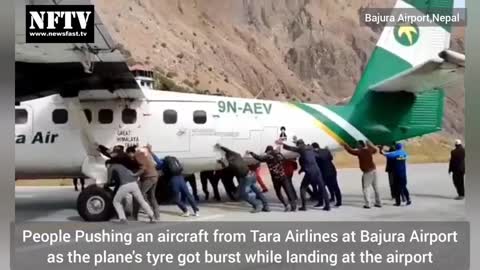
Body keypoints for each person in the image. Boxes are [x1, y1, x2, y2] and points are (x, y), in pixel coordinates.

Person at [215, 143, 270, 213]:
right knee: (257, 191)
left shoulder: (232, 164)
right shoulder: (237, 155)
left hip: (246, 178)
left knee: (243, 194)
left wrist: (221, 161)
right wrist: (220, 147)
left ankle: (257, 205)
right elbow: (228, 150)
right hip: (252, 175)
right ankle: (266, 205)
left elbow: (225, 166)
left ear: (228, 159)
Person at [278, 139, 330, 211]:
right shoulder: (311, 148)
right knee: (323, 188)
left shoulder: (301, 148)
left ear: (299, 144)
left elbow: (291, 148)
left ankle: (304, 206)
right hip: (317, 171)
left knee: (303, 188)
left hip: (309, 172)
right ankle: (327, 206)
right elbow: (316, 155)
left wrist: (282, 144)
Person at [247, 146, 297, 211]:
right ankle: (293, 206)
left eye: (267, 152)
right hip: (283, 176)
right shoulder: (279, 154)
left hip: (275, 179)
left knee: (278, 193)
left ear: (268, 151)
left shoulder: (268, 156)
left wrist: (251, 153)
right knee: (288, 192)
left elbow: (260, 158)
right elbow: (284, 159)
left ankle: (286, 205)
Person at [105, 160, 155, 224]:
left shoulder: (111, 167)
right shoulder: (122, 166)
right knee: (141, 201)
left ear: (108, 164)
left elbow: (109, 181)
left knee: (116, 201)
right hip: (134, 184)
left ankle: (122, 218)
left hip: (125, 185)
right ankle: (152, 216)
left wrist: (106, 185)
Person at [343, 140, 382, 209]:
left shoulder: (360, 151)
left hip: (367, 172)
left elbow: (351, 151)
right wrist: (369, 144)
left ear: (361, 145)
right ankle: (378, 202)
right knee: (376, 188)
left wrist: (345, 145)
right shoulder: (369, 150)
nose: (356, 145)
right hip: (374, 170)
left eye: (357, 144)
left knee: (365, 188)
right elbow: (375, 150)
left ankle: (368, 204)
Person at [130, 145, 160, 221]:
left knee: (140, 195)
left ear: (131, 153)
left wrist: (134, 174)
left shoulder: (138, 155)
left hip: (149, 177)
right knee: (152, 197)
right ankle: (157, 216)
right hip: (154, 176)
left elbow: (143, 168)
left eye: (129, 155)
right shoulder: (143, 154)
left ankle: (150, 214)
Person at [312, 143, 342, 207]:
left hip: (324, 173)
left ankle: (321, 202)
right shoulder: (326, 150)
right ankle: (338, 201)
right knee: (334, 186)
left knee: (321, 188)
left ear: (314, 148)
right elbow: (331, 158)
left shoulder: (315, 154)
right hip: (332, 170)